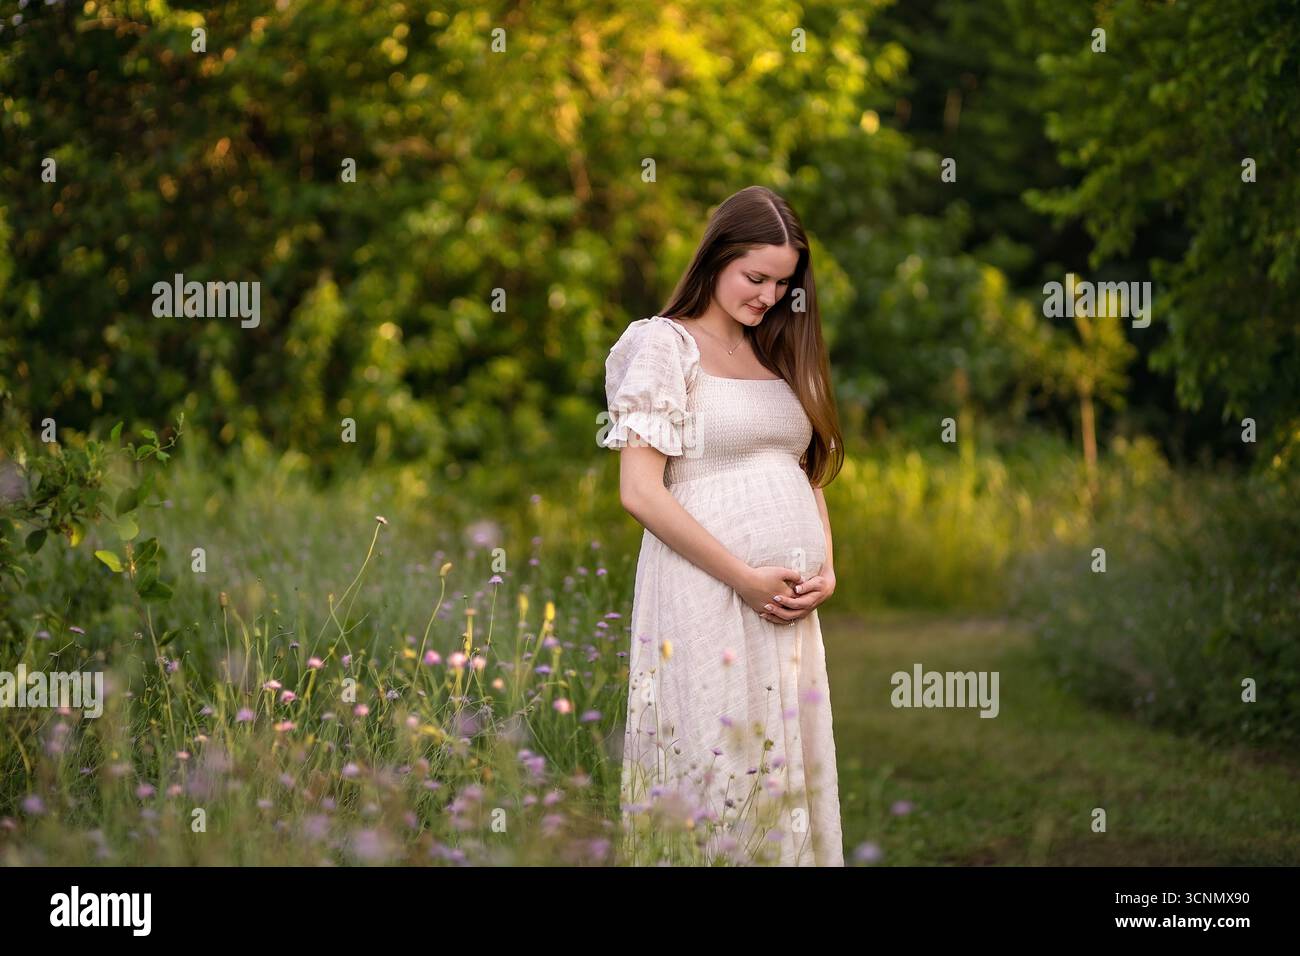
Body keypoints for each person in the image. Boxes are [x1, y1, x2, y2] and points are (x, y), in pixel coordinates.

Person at [599, 185, 846, 866]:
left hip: (785, 607)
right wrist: (742, 576)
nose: (768, 296)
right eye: (755, 277)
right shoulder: (662, 345)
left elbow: (805, 471)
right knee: (715, 763)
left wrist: (826, 569)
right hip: (707, 592)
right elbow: (640, 493)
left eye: (782, 283)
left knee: (782, 771)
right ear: (716, 258)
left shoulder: (777, 351)